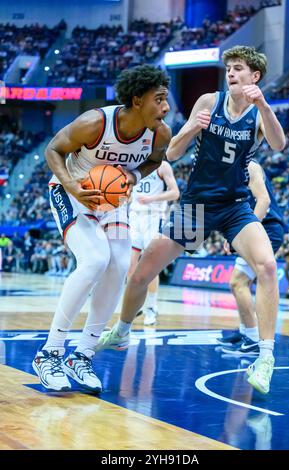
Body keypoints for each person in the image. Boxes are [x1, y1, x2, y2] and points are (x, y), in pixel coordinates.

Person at [96, 46, 286, 395]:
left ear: (254, 77)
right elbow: (172, 152)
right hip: (197, 205)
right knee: (141, 273)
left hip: (234, 206)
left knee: (267, 267)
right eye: (228, 68)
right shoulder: (208, 102)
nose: (230, 73)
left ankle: (266, 357)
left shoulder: (259, 113)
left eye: (238, 68)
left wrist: (263, 104)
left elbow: (279, 144)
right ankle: (122, 330)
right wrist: (190, 129)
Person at [32, 64, 171, 392]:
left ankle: (81, 355)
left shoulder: (160, 133)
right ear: (137, 101)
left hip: (113, 201)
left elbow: (154, 161)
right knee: (95, 259)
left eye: (167, 100)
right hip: (73, 192)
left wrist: (133, 177)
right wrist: (73, 186)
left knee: (120, 264)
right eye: (159, 99)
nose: (166, 107)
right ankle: (50, 352)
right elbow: (53, 149)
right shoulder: (95, 122)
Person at [217, 159, 284, 355]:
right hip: (262, 227)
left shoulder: (249, 165)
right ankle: (247, 331)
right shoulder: (233, 170)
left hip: (267, 227)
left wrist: (247, 230)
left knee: (238, 282)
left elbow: (264, 201)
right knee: (238, 284)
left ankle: (254, 339)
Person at [128, 160, 179, 326]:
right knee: (130, 266)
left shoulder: (162, 166)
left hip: (154, 216)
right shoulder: (133, 163)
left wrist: (152, 199)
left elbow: (175, 193)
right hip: (134, 216)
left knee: (150, 267)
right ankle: (137, 305)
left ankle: (151, 308)